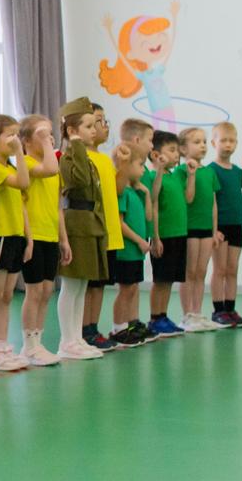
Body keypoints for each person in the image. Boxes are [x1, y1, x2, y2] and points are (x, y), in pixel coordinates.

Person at [56, 97, 107, 361]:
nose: (93, 130)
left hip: (89, 223)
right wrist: (75, 144)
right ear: (72, 130)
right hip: (76, 224)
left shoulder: (85, 157)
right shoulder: (68, 157)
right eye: (87, 126)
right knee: (71, 285)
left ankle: (76, 338)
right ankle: (67, 340)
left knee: (82, 286)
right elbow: (81, 180)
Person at [0, 114, 30, 371]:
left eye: (17, 135)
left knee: (8, 295)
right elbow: (23, 182)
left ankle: (3, 344)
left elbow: (22, 204)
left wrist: (29, 239)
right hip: (0, 236)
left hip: (15, 236)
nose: (14, 140)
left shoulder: (10, 167)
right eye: (10, 135)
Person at [18, 115, 62, 366]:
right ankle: (28, 345)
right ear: (26, 141)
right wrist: (47, 144)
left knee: (46, 291)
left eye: (50, 133)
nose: (49, 138)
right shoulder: (26, 162)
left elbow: (57, 207)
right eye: (42, 134)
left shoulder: (51, 166)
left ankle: (38, 340)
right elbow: (50, 169)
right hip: (33, 235)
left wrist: (63, 239)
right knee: (34, 291)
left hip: (50, 234)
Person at [177, 127, 225, 331]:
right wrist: (191, 174)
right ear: (183, 149)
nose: (203, 146)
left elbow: (213, 204)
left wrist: (214, 231)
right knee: (189, 272)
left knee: (201, 272)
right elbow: (186, 199)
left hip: (206, 230)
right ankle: (187, 315)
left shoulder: (210, 172)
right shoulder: (181, 171)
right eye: (197, 142)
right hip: (189, 228)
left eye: (204, 141)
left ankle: (197, 313)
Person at [143, 130, 189, 338]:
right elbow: (153, 199)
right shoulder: (153, 176)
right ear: (155, 154)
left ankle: (163, 315)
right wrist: (156, 237)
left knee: (169, 280)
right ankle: (154, 319)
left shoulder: (175, 175)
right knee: (160, 279)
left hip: (179, 234)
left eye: (177, 150)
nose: (176, 154)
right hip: (164, 236)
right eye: (171, 150)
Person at [82, 104, 120, 351]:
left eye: (104, 121)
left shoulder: (105, 160)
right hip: (92, 231)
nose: (103, 126)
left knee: (100, 285)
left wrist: (121, 163)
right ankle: (82, 330)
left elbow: (117, 191)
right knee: (87, 285)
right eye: (97, 120)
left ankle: (93, 328)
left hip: (110, 232)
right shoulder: (82, 159)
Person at [109, 143, 153, 347]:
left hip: (136, 252)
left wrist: (147, 194)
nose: (143, 169)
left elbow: (147, 217)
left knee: (133, 288)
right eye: (140, 165)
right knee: (125, 289)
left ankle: (129, 325)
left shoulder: (135, 192)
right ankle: (118, 328)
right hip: (126, 251)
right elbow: (120, 223)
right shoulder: (122, 193)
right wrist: (139, 241)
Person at [208, 122, 242, 327]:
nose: (228, 144)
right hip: (220, 227)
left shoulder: (238, 172)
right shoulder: (211, 170)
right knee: (220, 269)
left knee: (232, 269)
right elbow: (209, 202)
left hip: (236, 225)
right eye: (223, 140)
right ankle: (218, 311)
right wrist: (213, 229)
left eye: (231, 141)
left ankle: (230, 309)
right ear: (213, 143)